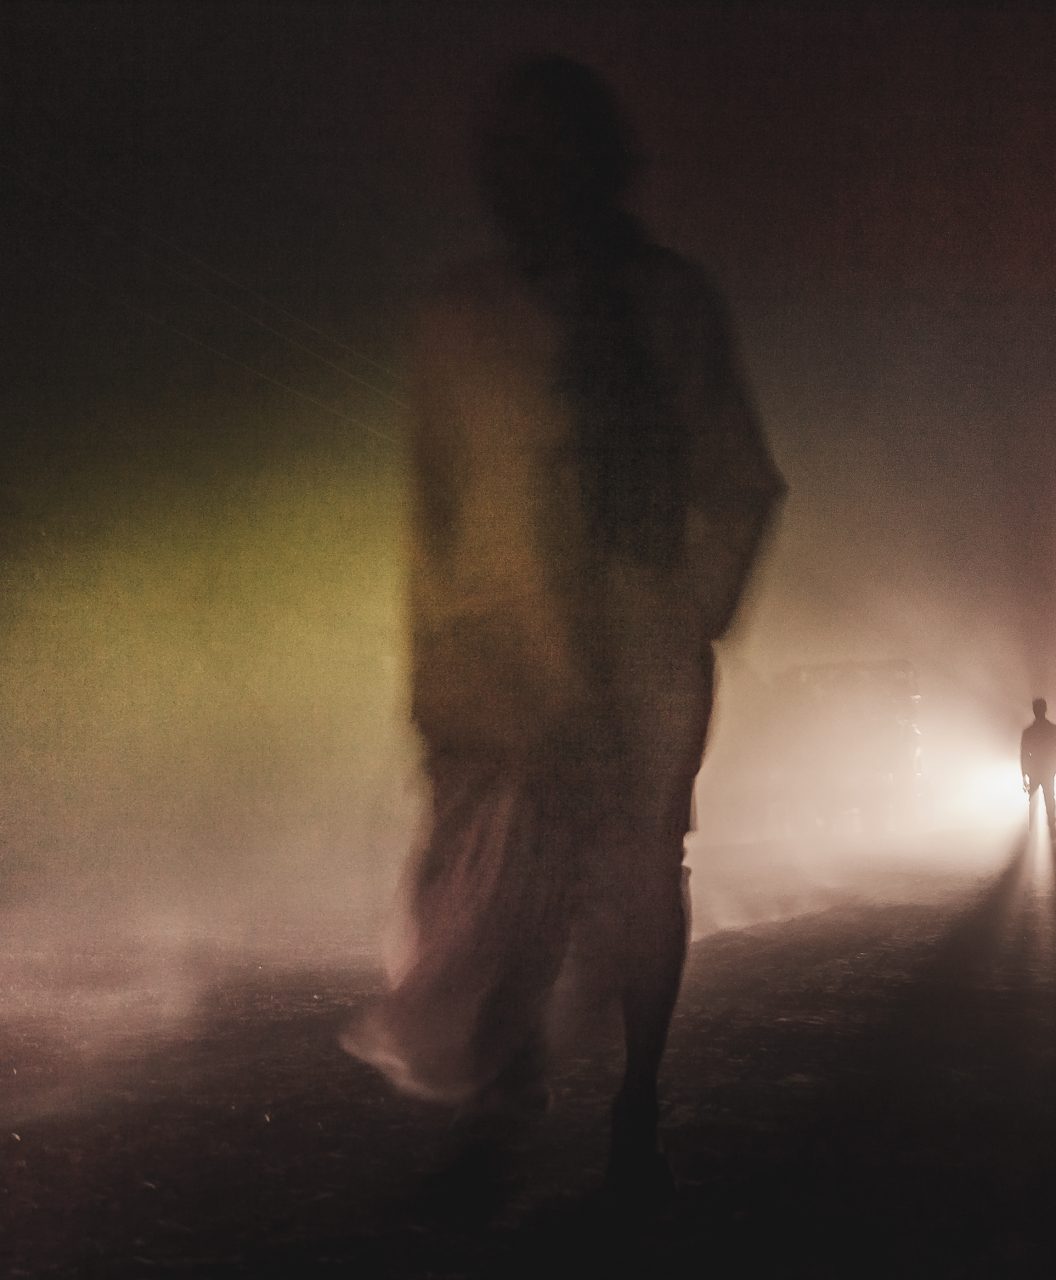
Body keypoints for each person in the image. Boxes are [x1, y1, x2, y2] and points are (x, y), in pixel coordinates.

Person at [341, 55, 784, 1205]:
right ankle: (504, 1098)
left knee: (640, 877)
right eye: (511, 154)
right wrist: (435, 664)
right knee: (493, 887)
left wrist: (683, 608)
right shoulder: (461, 318)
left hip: (638, 663)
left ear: (599, 163)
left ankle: (635, 1101)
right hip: (494, 667)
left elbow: (741, 482)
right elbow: (431, 515)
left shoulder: (671, 305)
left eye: (555, 151)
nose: (531, 176)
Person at [1020, 698, 1056, 836]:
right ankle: (1051, 824)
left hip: (1035, 769)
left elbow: (1023, 754)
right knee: (1049, 797)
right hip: (1047, 769)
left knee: (1033, 799)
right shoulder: (1053, 729)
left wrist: (1024, 774)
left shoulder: (1028, 731)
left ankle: (1034, 827)